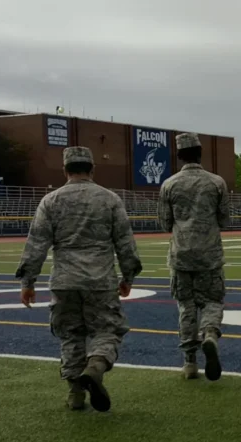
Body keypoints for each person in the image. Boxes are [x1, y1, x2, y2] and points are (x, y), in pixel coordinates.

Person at [16, 146, 142, 412]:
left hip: (64, 280)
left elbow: (36, 244)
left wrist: (28, 283)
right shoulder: (109, 199)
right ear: (92, 169)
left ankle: (75, 394)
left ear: (65, 170)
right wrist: (128, 276)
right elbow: (125, 244)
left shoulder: (50, 201)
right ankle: (95, 366)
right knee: (107, 330)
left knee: (71, 335)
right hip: (100, 279)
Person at [158, 132, 231, 381]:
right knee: (212, 301)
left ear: (179, 156)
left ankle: (190, 362)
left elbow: (165, 223)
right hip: (209, 254)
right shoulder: (217, 183)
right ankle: (209, 333)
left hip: (181, 255)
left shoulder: (169, 185)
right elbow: (224, 220)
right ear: (200, 154)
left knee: (186, 306)